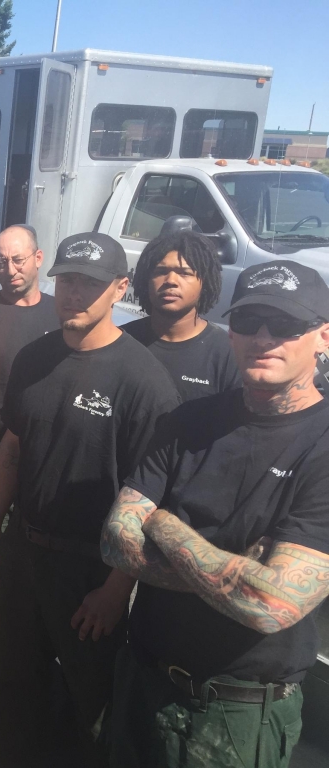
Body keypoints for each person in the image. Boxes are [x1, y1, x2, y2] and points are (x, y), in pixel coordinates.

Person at [102, 260, 329, 768]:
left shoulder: (322, 448)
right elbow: (115, 539)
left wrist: (161, 523)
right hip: (142, 681)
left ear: (323, 338)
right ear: (231, 334)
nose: (263, 338)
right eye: (248, 323)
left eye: (286, 325)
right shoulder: (189, 420)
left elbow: (272, 604)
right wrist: (236, 574)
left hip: (235, 712)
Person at [0, 233, 179, 763]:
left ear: (120, 288)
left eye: (89, 283)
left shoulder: (143, 381)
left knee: (92, 705)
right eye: (67, 280)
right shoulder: (34, 358)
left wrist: (116, 589)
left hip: (92, 568)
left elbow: (153, 501)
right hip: (24, 552)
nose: (73, 294)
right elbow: (14, 452)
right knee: (17, 684)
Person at [0, 224, 59, 675]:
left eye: (19, 259)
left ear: (39, 259)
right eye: (1, 260)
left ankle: (32, 646)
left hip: (44, 457)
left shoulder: (62, 316)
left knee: (36, 555)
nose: (10, 269)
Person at [124, 230, 241, 401]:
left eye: (185, 273)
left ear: (205, 283)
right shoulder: (123, 341)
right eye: (161, 271)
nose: (171, 280)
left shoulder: (228, 354)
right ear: (145, 279)